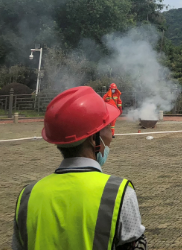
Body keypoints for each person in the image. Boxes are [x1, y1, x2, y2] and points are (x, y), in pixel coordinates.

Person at [12, 86, 146, 250]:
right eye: (107, 127)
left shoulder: (27, 196)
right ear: (93, 139)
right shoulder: (120, 194)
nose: (111, 135)